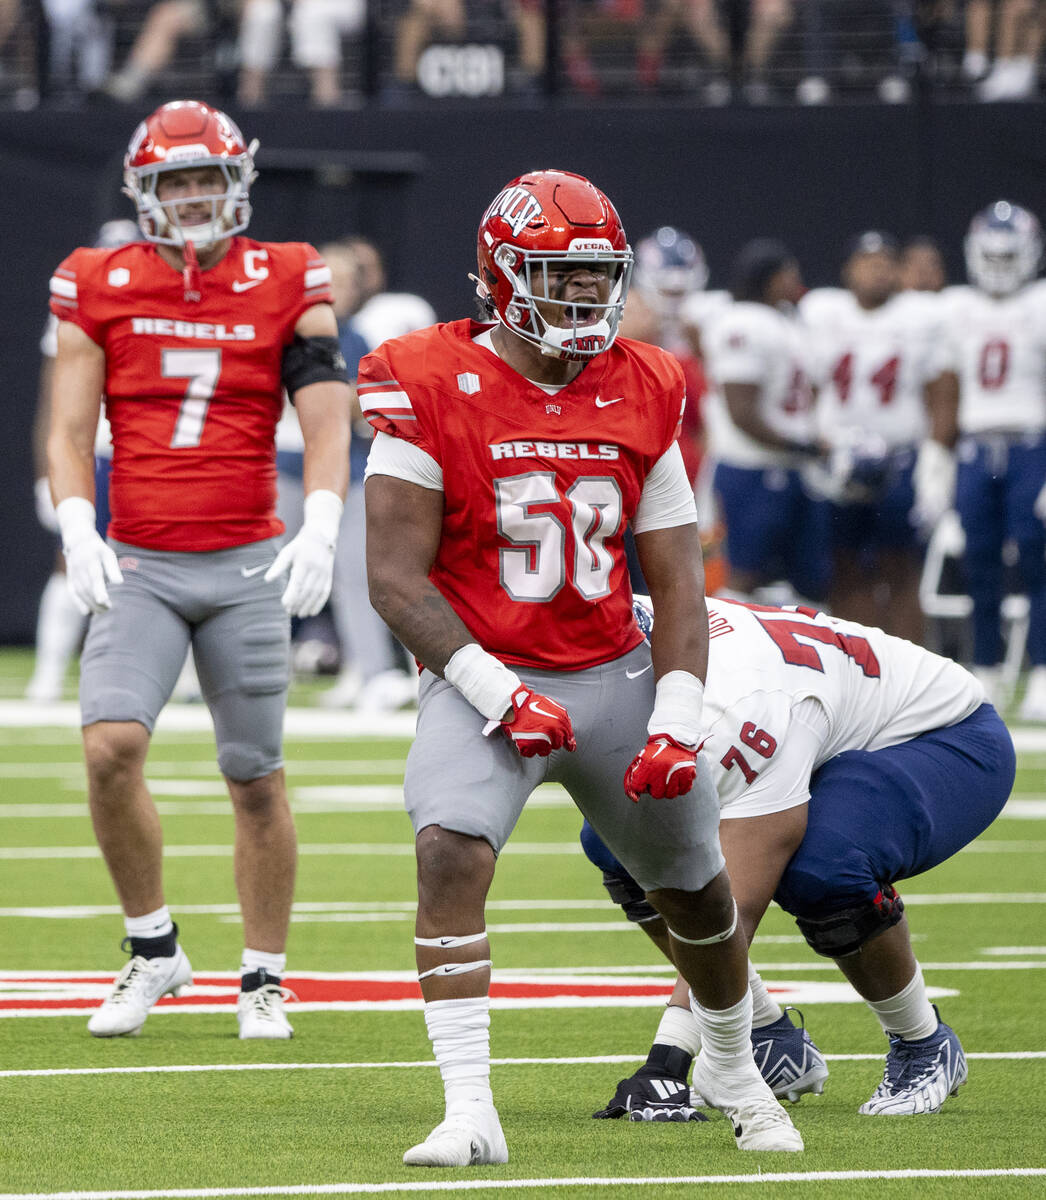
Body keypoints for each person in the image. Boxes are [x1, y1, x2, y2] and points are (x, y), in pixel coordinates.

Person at [361, 168, 804, 1165]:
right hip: (481, 673)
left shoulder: (644, 381)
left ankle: (730, 1063)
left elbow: (678, 580)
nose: (581, 297)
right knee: (447, 850)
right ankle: (469, 1105)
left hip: (610, 671)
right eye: (558, 276)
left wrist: (678, 711)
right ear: (500, 275)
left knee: (694, 891)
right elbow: (391, 577)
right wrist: (486, 686)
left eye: (595, 276)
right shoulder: (422, 377)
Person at [46, 99, 351, 1040]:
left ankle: (263, 977)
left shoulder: (289, 275)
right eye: (172, 182)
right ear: (144, 191)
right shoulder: (99, 279)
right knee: (109, 751)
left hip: (248, 559)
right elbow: (65, 423)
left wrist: (327, 517)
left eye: (204, 179)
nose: (189, 197)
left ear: (238, 184)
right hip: (141, 558)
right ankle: (153, 949)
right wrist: (75, 520)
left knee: (255, 776)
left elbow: (328, 410)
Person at [584, 593, 1014, 1120]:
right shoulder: (625, 617)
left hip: (945, 736)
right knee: (611, 840)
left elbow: (732, 905)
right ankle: (768, 1034)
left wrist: (668, 1059)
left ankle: (922, 1041)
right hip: (820, 721)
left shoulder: (738, 706)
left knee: (822, 869)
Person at [799, 231, 952, 644]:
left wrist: (937, 461)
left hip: (900, 459)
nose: (877, 268)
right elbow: (808, 387)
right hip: (837, 458)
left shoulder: (921, 316)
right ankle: (856, 663)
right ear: (848, 269)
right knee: (843, 564)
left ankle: (908, 672)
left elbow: (941, 390)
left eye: (886, 260)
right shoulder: (822, 312)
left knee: (899, 566)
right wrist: (811, 443)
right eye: (867, 261)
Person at [933, 200, 1046, 718]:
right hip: (976, 448)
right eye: (992, 257)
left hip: (1031, 444)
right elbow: (946, 387)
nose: (999, 267)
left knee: (1036, 556)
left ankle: (1041, 668)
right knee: (978, 562)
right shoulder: (956, 308)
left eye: (1009, 257)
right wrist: (938, 459)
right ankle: (986, 666)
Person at [27, 219, 141, 704]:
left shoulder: (168, 303)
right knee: (70, 559)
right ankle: (49, 672)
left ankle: (170, 676)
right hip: (93, 452)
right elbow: (52, 401)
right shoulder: (76, 308)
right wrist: (44, 475)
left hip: (148, 454)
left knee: (154, 567)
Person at [702, 238, 830, 606]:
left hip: (790, 468)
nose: (796, 281)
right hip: (750, 469)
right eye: (789, 274)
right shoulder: (741, 322)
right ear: (769, 278)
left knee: (810, 580)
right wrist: (800, 445)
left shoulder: (787, 321)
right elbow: (741, 410)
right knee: (743, 574)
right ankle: (728, 661)